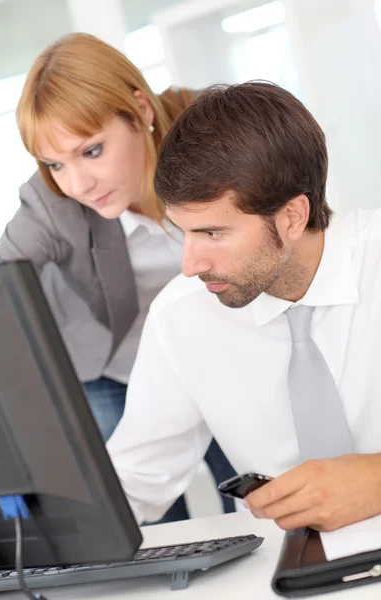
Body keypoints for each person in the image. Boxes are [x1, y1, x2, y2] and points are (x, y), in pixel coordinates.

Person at [0, 33, 236, 521]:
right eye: (55, 163)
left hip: (214, 350)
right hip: (113, 366)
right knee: (139, 521)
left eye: (92, 151)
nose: (77, 184)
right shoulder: (50, 204)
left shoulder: (213, 136)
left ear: (139, 109)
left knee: (251, 489)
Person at [107, 81, 381, 532]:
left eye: (212, 233)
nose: (190, 263)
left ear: (292, 216)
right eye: (184, 231)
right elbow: (135, 479)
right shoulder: (180, 317)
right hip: (278, 572)